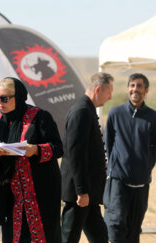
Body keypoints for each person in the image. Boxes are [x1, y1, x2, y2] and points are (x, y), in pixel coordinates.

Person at [0, 77, 63, 243]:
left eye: (4, 98)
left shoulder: (39, 117)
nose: (0, 102)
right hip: (11, 197)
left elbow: (57, 148)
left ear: (18, 97)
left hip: (41, 194)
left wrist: (35, 150)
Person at [104, 73, 156, 243]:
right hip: (117, 182)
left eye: (139, 86)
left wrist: (143, 168)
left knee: (133, 230)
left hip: (141, 183)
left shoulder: (154, 117)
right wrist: (115, 167)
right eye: (132, 85)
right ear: (127, 88)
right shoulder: (115, 113)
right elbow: (108, 143)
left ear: (146, 90)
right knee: (114, 225)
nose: (135, 89)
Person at [61, 72, 114, 243]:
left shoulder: (87, 109)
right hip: (80, 194)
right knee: (69, 237)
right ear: (98, 89)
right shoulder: (82, 111)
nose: (110, 97)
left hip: (88, 192)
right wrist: (81, 190)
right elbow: (76, 154)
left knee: (100, 237)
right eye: (108, 93)